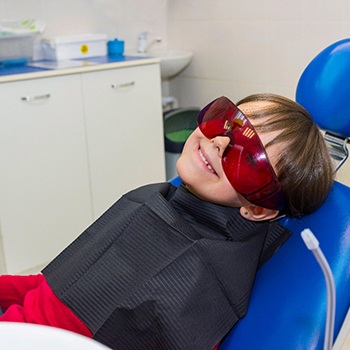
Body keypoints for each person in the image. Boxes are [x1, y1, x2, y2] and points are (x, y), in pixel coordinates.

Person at [0, 94, 334, 350]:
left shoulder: (209, 282)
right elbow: (56, 288)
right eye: (227, 124)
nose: (219, 142)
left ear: (258, 210)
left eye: (248, 159)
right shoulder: (153, 199)